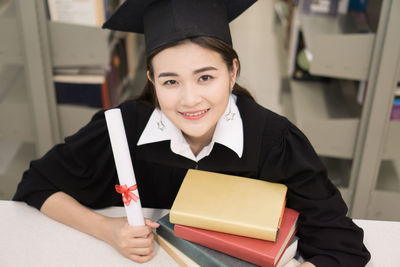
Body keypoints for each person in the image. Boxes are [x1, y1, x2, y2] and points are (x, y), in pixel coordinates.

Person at [13, 0, 370, 266]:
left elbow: (341, 245)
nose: (189, 99)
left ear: (232, 71)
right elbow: (37, 184)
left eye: (205, 77)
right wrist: (107, 230)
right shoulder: (120, 130)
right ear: (151, 80)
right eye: (170, 81)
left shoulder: (275, 142)